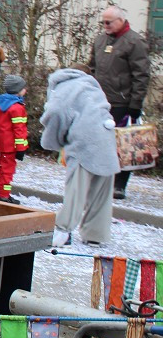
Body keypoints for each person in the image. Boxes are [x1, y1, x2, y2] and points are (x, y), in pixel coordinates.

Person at [40, 67, 119, 246]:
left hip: (84, 139)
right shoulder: (92, 85)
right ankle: (96, 235)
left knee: (76, 188)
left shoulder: (64, 87)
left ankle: (62, 230)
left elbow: (55, 112)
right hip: (107, 135)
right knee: (102, 189)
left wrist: (54, 140)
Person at [89, 5, 150, 200]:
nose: (105, 25)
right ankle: (101, 181)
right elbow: (91, 68)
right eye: (103, 22)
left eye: (109, 22)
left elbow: (141, 75)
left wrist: (135, 104)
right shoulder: (100, 40)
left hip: (122, 103)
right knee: (100, 144)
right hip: (100, 102)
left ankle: (120, 185)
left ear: (120, 21)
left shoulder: (135, 42)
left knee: (124, 146)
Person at [0, 74, 29, 203]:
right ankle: (4, 195)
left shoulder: (3, 103)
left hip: (3, 144)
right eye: (24, 88)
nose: (26, 90)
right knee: (7, 172)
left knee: (2, 169)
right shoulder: (17, 108)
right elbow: (19, 130)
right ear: (18, 90)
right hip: (11, 146)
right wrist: (21, 148)